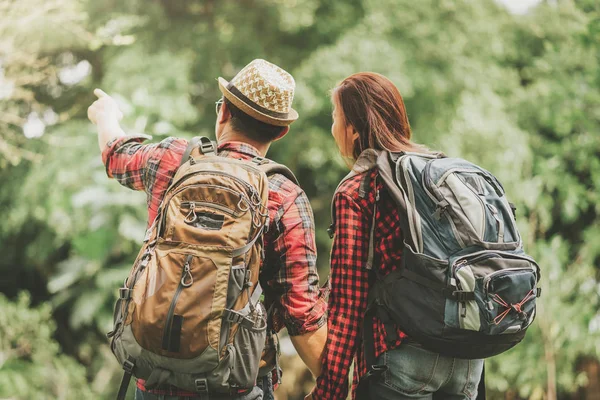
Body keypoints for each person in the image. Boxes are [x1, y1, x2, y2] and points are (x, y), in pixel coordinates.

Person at [88, 59, 328, 400]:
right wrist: (335, 383)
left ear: (224, 112)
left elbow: (116, 154)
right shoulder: (285, 195)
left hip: (155, 379)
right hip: (237, 383)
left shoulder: (173, 159)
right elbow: (301, 314)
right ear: (280, 131)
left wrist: (106, 115)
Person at [307, 72, 483, 400]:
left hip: (403, 358)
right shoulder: (438, 171)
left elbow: (349, 302)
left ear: (355, 129)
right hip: (466, 358)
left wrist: (328, 389)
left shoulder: (359, 189)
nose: (333, 129)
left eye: (336, 118)